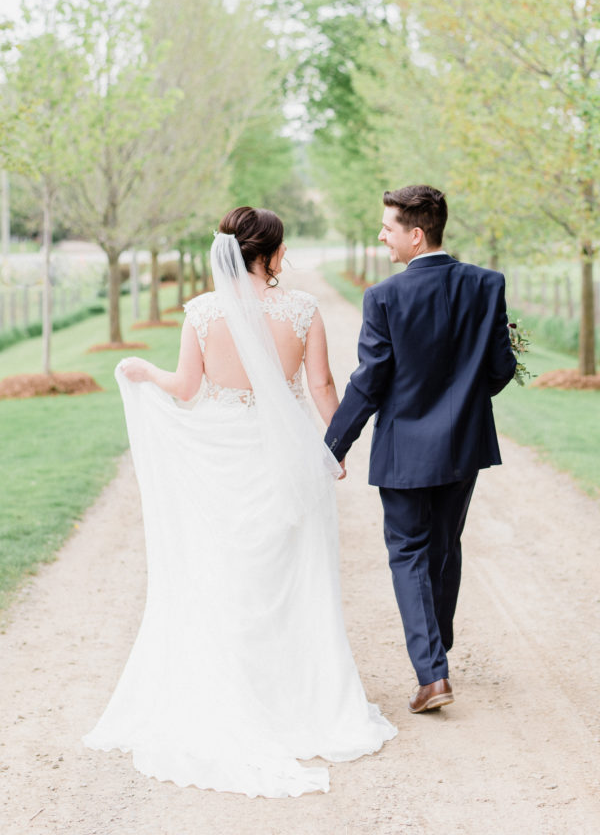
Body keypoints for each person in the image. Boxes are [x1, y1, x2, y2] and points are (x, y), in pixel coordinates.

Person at [83, 207, 396, 798]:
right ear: (272, 254)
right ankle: (296, 694)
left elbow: (186, 389)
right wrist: (335, 449)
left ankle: (228, 686)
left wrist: (141, 370)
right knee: (291, 573)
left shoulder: (202, 312)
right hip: (286, 456)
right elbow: (323, 387)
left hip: (221, 454)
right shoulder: (302, 311)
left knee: (223, 569)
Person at [324, 185, 517, 714]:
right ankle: (438, 652)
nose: (380, 235)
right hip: (464, 445)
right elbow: (501, 368)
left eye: (387, 226)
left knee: (409, 552)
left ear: (416, 234)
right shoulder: (487, 284)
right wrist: (462, 402)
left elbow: (370, 381)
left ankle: (433, 675)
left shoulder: (384, 297)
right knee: (444, 545)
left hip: (405, 448)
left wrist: (334, 444)